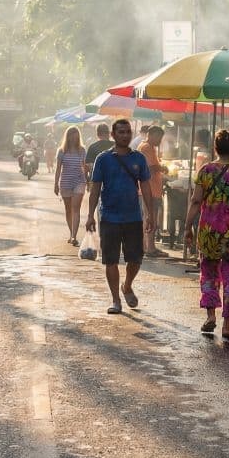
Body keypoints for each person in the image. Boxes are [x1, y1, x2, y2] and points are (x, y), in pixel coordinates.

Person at [184, 130, 229, 340]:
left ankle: (210, 316)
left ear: (215, 149)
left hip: (210, 232)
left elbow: (195, 201)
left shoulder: (205, 171)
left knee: (209, 274)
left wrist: (187, 226)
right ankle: (227, 325)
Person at [86, 119, 155, 315]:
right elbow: (95, 188)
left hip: (133, 216)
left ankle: (127, 285)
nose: (125, 135)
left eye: (127, 132)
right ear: (113, 135)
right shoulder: (103, 159)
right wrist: (90, 215)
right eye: (121, 132)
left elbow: (146, 187)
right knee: (111, 260)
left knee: (135, 259)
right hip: (109, 216)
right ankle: (116, 300)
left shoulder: (139, 158)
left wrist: (150, 214)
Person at [137, 125, 169, 258]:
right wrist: (162, 168)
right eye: (158, 137)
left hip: (151, 189)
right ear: (151, 135)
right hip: (149, 189)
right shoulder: (146, 148)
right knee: (151, 218)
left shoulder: (148, 147)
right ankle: (150, 248)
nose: (160, 141)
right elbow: (149, 168)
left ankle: (147, 246)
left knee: (148, 218)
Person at [54, 127, 88, 246]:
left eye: (76, 135)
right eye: (71, 135)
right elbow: (58, 169)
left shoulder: (82, 150)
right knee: (68, 210)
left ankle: (74, 236)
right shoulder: (61, 151)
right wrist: (55, 184)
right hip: (65, 183)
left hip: (79, 181)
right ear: (67, 137)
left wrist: (87, 180)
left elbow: (84, 167)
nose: (74, 137)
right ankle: (71, 233)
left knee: (76, 208)